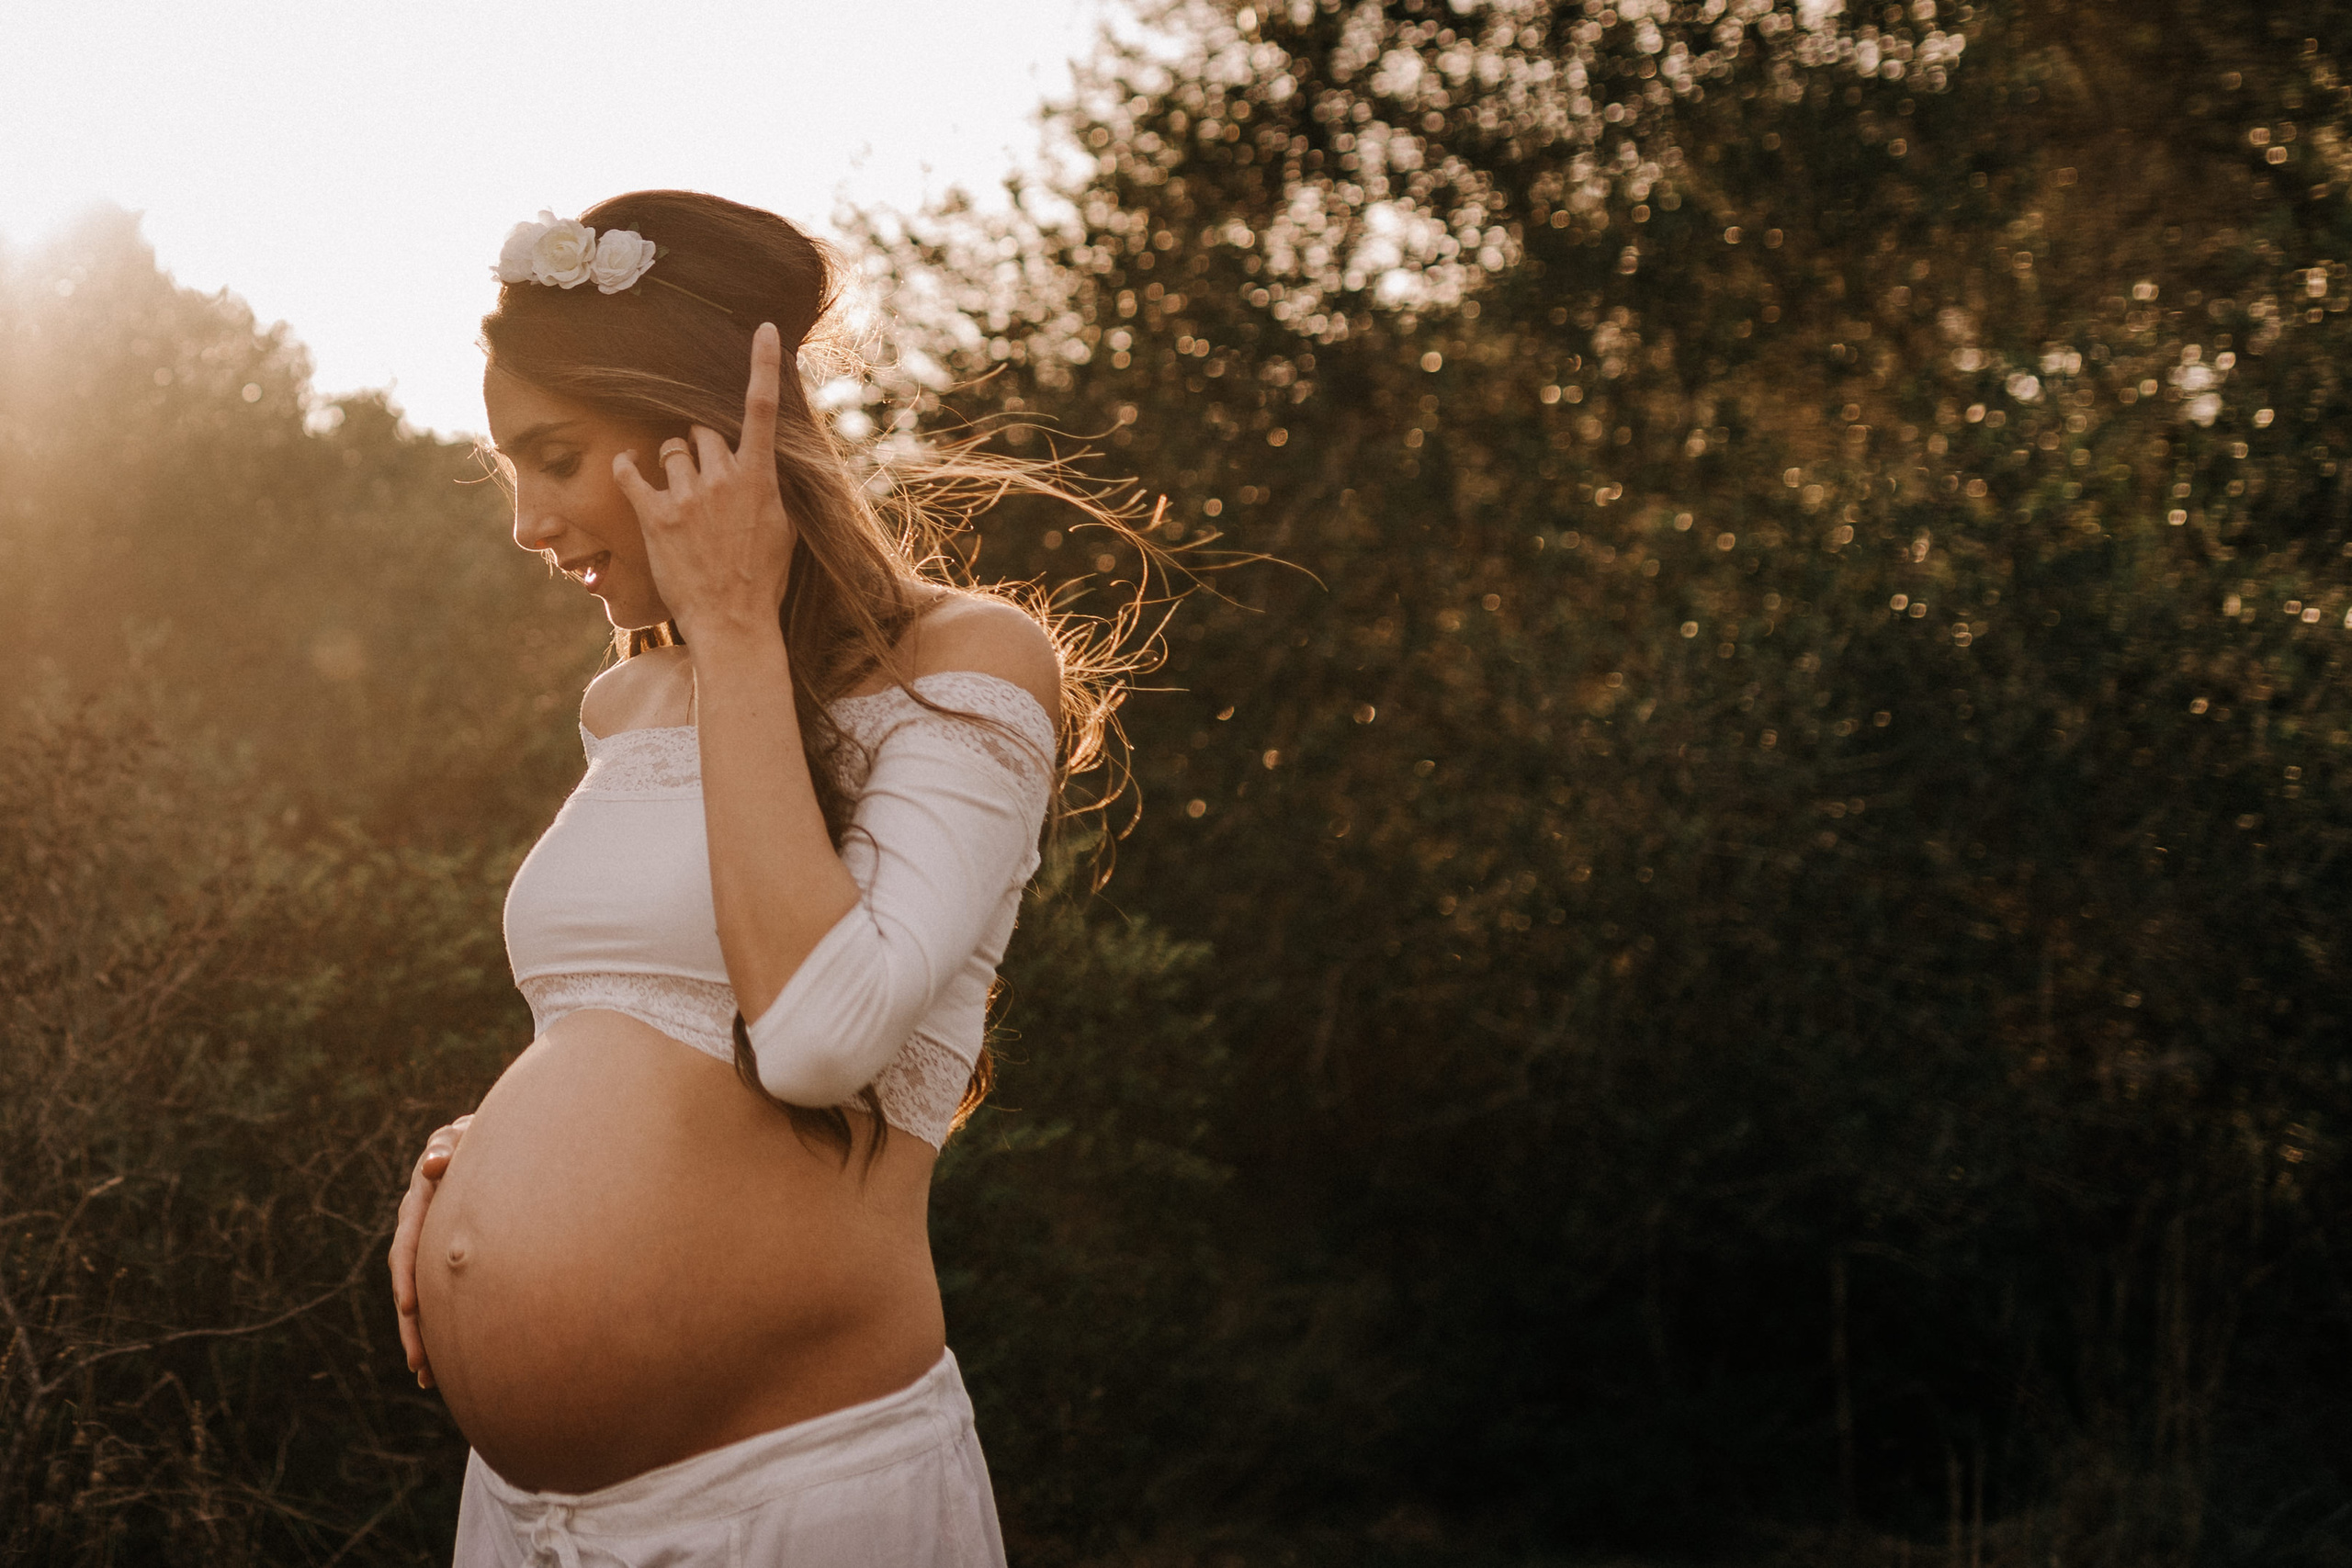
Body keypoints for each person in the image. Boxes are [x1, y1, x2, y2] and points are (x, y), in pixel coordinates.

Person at [385, 190, 1122, 1566]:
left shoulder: (966, 663)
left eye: (556, 457)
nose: (528, 523)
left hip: (796, 1498)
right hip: (525, 1521)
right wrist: (484, 1152)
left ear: (703, 431)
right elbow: (628, 1024)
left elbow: (819, 1040)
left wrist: (734, 629)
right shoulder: (625, 702)